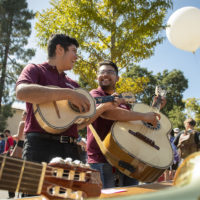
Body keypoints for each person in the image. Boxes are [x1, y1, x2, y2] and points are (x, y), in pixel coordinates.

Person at [15, 34, 117, 165]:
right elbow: (22, 92)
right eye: (74, 51)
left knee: (70, 186)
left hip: (71, 150)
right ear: (59, 49)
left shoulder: (74, 85)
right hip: (39, 146)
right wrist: (69, 94)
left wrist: (104, 107)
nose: (76, 56)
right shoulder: (35, 69)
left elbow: (78, 124)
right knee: (36, 185)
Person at [86, 60, 166, 188]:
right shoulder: (95, 94)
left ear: (117, 78)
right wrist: (145, 116)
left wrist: (155, 108)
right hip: (101, 159)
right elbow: (111, 113)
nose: (105, 74)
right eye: (102, 72)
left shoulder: (124, 101)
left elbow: (135, 122)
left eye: (110, 72)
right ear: (97, 77)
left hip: (127, 160)